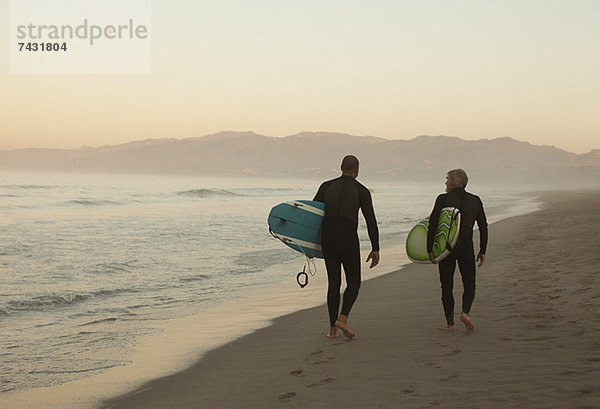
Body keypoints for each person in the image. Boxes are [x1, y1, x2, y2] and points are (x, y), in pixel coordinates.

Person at [313, 155, 380, 339]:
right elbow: (371, 221)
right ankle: (343, 318)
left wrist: (310, 246)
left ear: (340, 167)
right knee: (354, 282)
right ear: (356, 170)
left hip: (328, 240)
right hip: (348, 239)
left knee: (334, 283)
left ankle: (332, 330)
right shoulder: (362, 191)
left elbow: (313, 215)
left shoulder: (326, 186)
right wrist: (375, 248)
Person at [427, 169, 488, 331]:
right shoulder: (475, 200)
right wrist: (483, 250)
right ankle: (465, 313)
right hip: (466, 247)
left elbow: (433, 224)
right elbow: (483, 226)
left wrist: (430, 249)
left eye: (447, 179)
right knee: (470, 284)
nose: (445, 182)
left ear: (454, 181)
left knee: (446, 285)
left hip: (446, 249)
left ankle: (450, 323)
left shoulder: (443, 199)